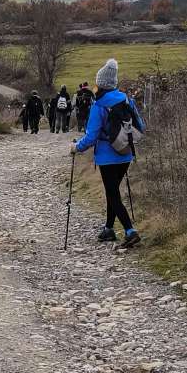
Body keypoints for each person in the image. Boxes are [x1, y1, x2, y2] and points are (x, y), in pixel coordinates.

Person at [72, 57, 144, 248]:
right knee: (113, 190)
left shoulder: (99, 105)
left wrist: (76, 147)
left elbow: (91, 136)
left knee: (112, 194)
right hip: (126, 153)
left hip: (107, 156)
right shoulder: (126, 100)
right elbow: (141, 126)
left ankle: (130, 231)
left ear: (101, 83)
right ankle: (109, 229)